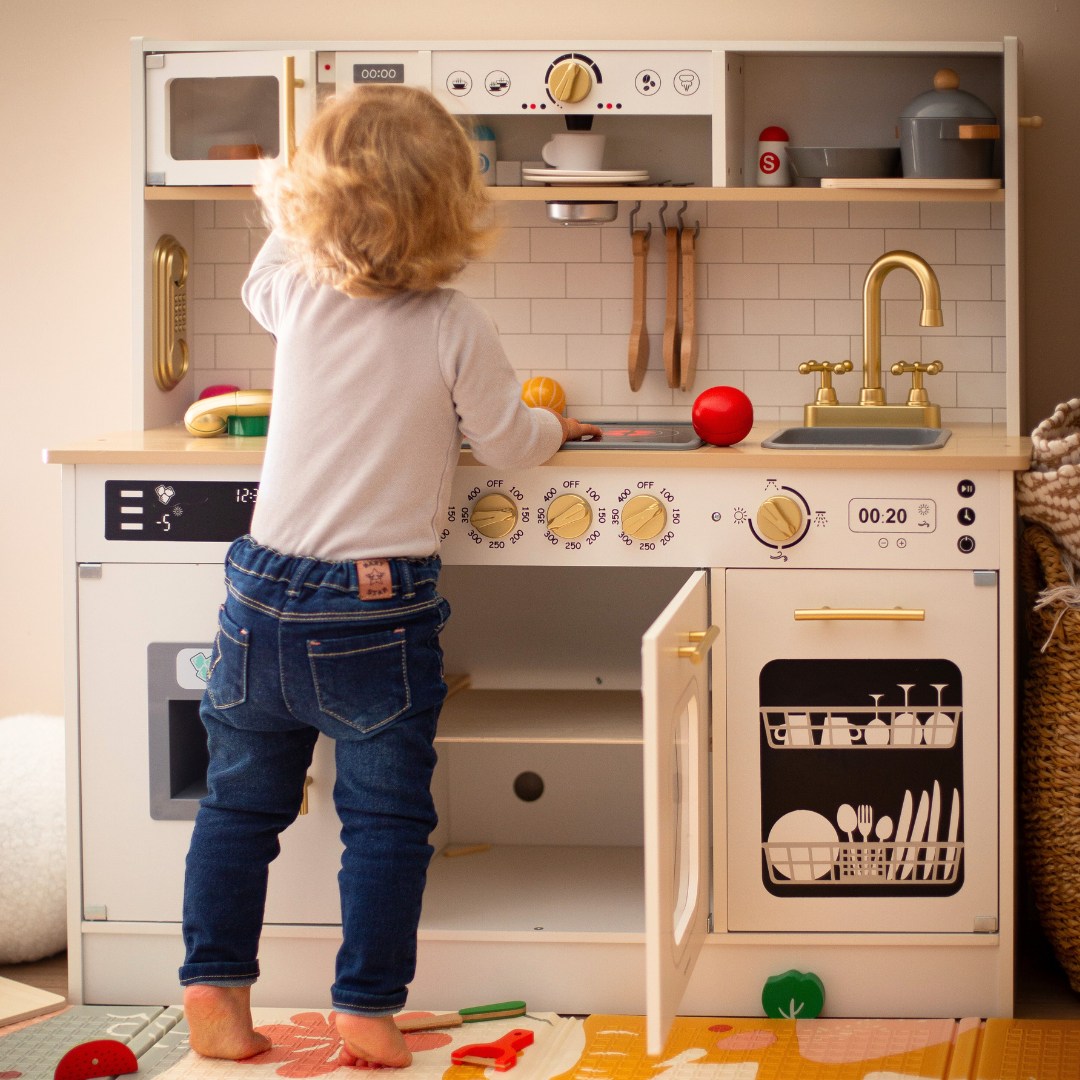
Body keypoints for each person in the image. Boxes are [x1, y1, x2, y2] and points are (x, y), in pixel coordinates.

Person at [178, 84, 602, 1069]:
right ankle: (366, 1009)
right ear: (454, 202)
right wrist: (555, 427)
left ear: (310, 198)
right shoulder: (453, 322)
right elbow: (506, 441)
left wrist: (286, 185)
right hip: (375, 612)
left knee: (238, 809)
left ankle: (214, 990)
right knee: (384, 822)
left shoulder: (295, 294)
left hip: (260, 598)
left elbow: (268, 263)